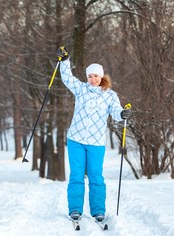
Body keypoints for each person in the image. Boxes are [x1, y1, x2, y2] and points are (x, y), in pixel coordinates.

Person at [56, 46, 132, 222]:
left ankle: (98, 211)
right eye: (90, 76)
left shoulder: (110, 95)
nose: (93, 79)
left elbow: (116, 112)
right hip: (76, 139)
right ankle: (75, 209)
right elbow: (67, 78)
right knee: (76, 176)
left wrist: (123, 114)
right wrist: (65, 61)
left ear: (102, 76)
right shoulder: (81, 89)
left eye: (96, 76)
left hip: (96, 143)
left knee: (96, 176)